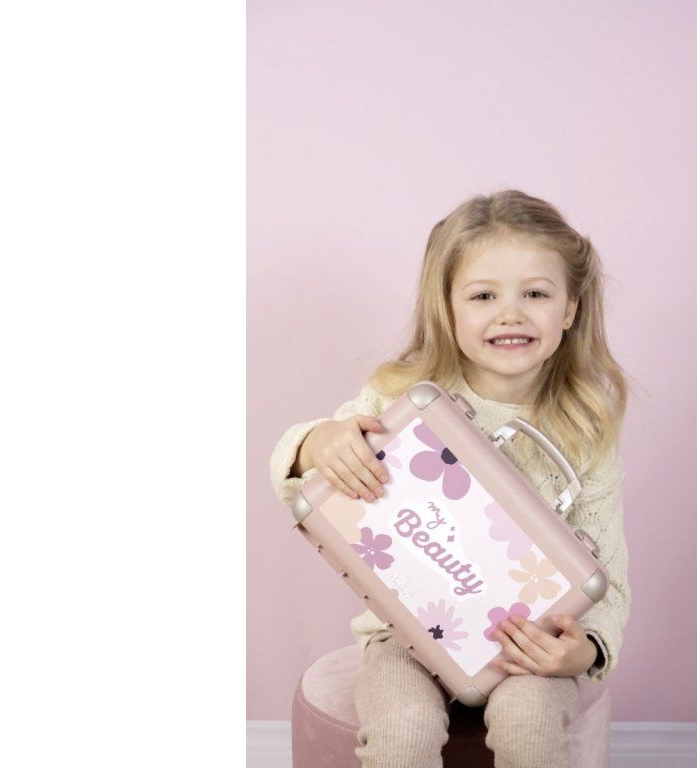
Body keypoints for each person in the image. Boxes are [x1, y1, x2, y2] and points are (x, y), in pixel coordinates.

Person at [269, 189, 632, 768]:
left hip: (524, 643)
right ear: (448, 308)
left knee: (531, 725)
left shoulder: (584, 427)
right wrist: (321, 443)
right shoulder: (401, 397)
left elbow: (607, 573)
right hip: (404, 633)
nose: (510, 314)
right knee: (403, 727)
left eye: (536, 294)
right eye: (484, 295)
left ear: (569, 309)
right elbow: (299, 477)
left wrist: (584, 650)